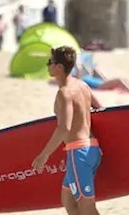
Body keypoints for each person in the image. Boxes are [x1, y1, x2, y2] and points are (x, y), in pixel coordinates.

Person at [33, 46, 103, 214]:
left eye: (50, 62)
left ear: (59, 67)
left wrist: (44, 155)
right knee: (68, 200)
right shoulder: (83, 85)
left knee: (87, 208)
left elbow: (64, 127)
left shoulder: (64, 93)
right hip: (91, 149)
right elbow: (100, 108)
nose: (47, 65)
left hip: (78, 153)